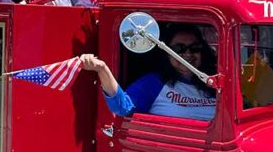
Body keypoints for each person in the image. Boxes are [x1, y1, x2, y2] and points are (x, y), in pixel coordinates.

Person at [79, 25, 217, 120]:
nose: (187, 54)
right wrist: (102, 69)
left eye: (194, 48)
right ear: (167, 52)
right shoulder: (154, 83)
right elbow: (122, 108)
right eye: (179, 48)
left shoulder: (215, 83)